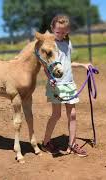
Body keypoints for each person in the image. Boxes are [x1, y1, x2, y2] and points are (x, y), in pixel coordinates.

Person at [41, 14, 91, 157]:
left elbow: (68, 63)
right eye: (58, 32)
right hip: (56, 85)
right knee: (56, 115)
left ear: (67, 31)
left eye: (63, 32)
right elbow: (46, 66)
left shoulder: (68, 43)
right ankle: (45, 142)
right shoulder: (50, 46)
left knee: (73, 115)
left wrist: (83, 65)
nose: (61, 35)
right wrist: (50, 78)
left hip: (69, 84)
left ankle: (72, 144)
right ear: (52, 29)